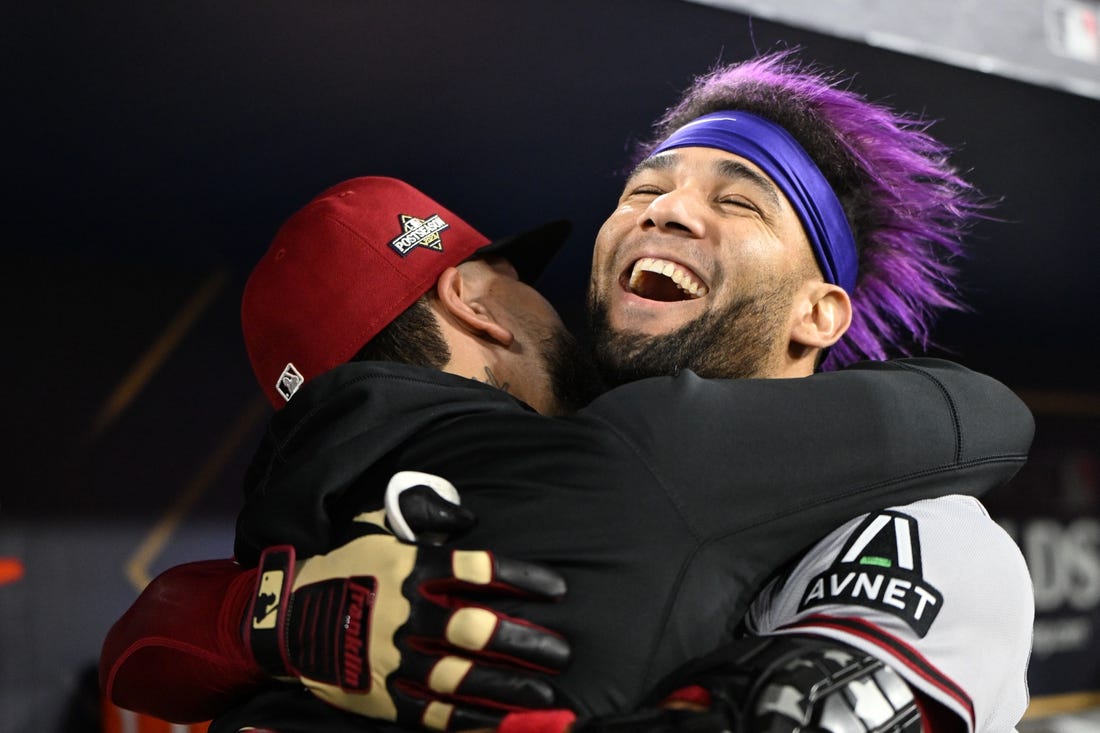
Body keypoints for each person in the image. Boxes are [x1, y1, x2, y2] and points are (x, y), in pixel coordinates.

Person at [100, 50, 1034, 733]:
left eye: (739, 199)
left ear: (822, 310)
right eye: (642, 190)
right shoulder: (635, 457)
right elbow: (982, 413)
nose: (663, 208)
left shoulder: (925, 536)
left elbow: (143, 650)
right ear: (473, 300)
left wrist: (253, 620)